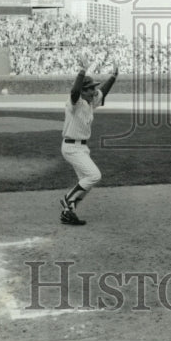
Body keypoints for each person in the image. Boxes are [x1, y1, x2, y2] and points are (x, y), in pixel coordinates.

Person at [59, 61, 119, 225]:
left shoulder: (90, 102)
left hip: (81, 148)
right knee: (94, 176)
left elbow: (103, 92)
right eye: (91, 88)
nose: (94, 91)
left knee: (86, 182)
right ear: (84, 91)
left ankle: (68, 213)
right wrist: (82, 71)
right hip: (71, 147)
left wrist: (113, 77)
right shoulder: (74, 103)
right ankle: (67, 200)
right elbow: (75, 91)